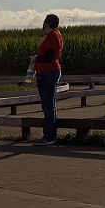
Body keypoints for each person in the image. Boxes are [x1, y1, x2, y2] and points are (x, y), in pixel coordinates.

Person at [30, 14, 63, 145]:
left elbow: (49, 57)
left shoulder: (51, 36)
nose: (43, 25)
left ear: (47, 24)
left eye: (44, 23)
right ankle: (50, 135)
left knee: (48, 105)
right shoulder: (57, 34)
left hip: (48, 72)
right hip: (50, 71)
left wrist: (35, 58)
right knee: (50, 104)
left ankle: (49, 136)